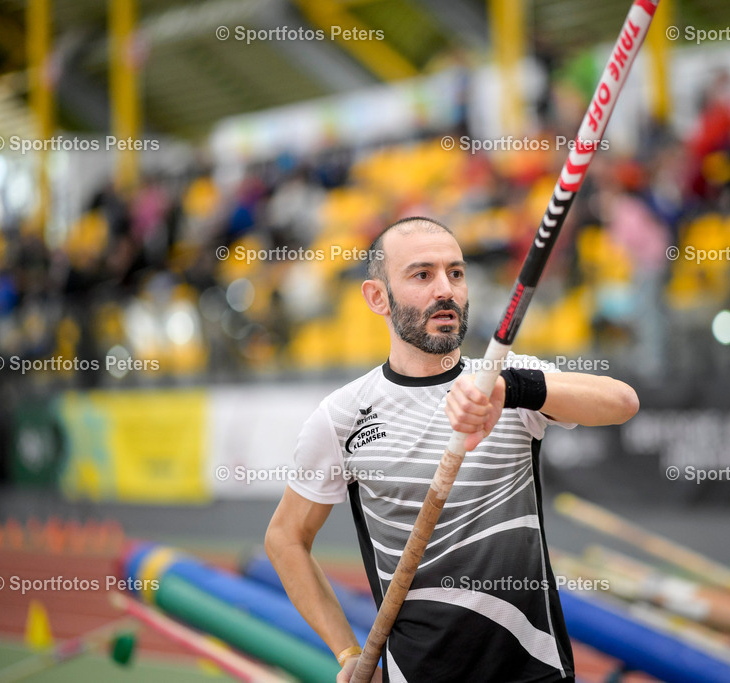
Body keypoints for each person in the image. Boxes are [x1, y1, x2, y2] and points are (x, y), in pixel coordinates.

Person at [265, 217, 639, 682]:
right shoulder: (342, 415)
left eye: (456, 273)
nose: (445, 289)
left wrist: (508, 388)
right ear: (377, 297)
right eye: (422, 275)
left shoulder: (507, 378)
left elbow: (622, 402)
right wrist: (347, 652)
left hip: (536, 671)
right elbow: (284, 539)